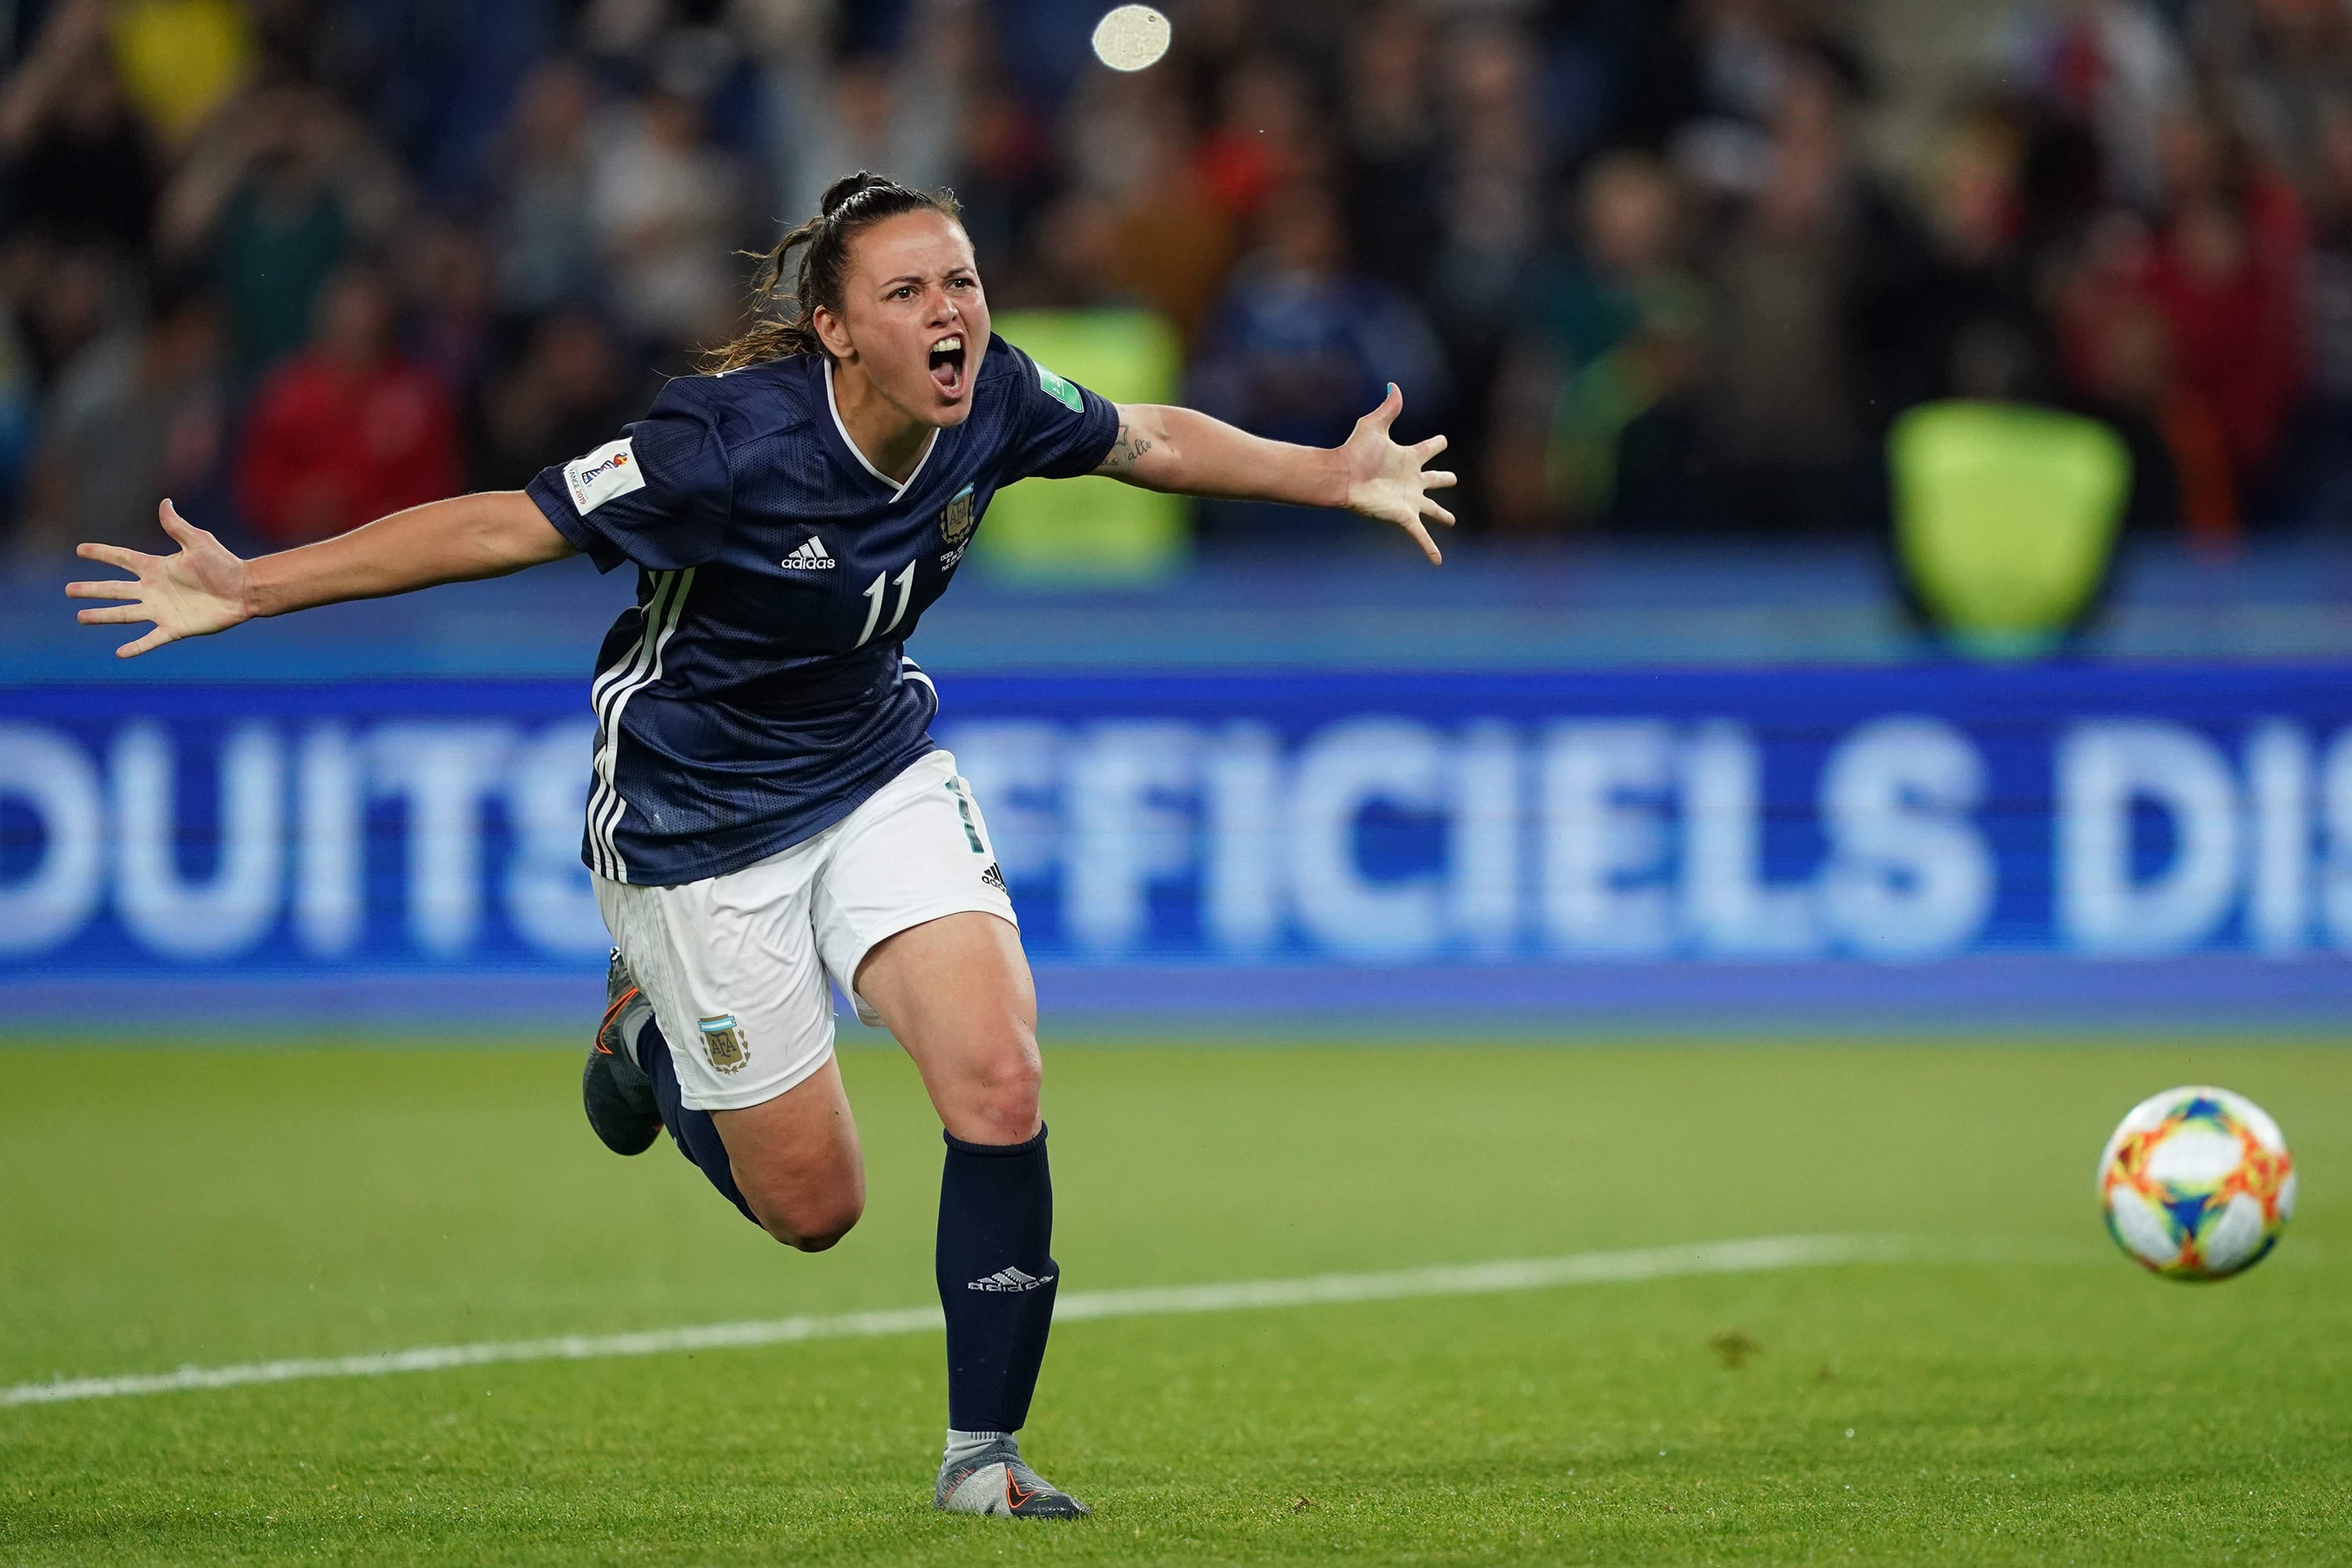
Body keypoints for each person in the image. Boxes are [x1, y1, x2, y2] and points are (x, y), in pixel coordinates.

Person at [64, 172, 1455, 1519]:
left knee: (1000, 1075)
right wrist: (252, 585)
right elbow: (506, 522)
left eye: (960, 281)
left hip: (874, 768)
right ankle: (647, 1047)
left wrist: (1329, 475)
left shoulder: (1000, 399)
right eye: (906, 291)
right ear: (837, 329)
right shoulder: (719, 445)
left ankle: (987, 1459)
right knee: (815, 1207)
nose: (947, 312)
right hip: (695, 820)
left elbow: (1145, 438)